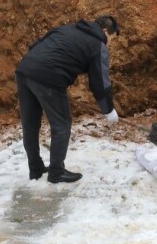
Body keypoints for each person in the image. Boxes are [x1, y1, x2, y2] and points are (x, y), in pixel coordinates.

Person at [16, 16, 120, 183]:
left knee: (30, 124)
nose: (109, 43)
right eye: (111, 39)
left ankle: (35, 169)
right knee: (62, 125)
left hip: (24, 70)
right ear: (106, 31)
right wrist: (108, 110)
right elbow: (100, 82)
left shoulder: (67, 28)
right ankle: (56, 172)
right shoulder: (97, 45)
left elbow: (36, 45)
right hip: (49, 77)